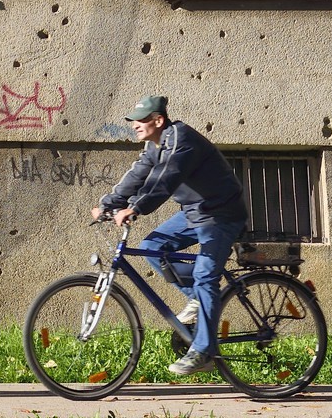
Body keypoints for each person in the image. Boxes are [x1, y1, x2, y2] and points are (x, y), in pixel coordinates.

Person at [93, 95, 248, 376]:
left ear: (158, 120)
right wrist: (108, 203)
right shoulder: (156, 146)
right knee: (153, 246)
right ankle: (198, 298)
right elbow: (137, 175)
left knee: (205, 276)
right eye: (133, 122)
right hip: (194, 212)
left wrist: (136, 208)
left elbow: (165, 178)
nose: (135, 126)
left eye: (140, 121)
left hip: (221, 215)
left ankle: (203, 351)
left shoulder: (181, 139)